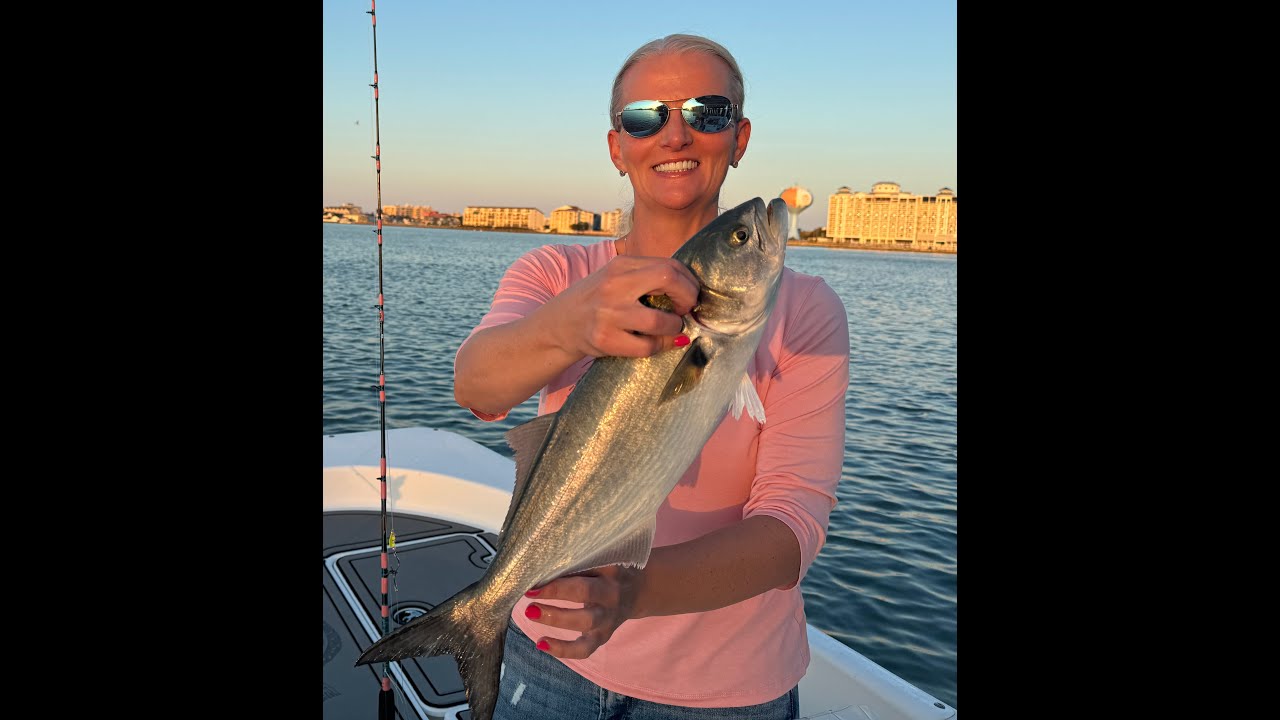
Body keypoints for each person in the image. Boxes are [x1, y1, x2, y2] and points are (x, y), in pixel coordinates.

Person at [453, 33, 850, 720]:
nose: (676, 134)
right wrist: (571, 325)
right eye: (646, 117)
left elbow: (793, 524)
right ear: (617, 146)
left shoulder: (806, 311)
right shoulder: (556, 276)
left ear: (740, 136)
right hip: (550, 650)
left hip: (729, 688)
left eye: (708, 113)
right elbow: (478, 388)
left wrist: (636, 592)